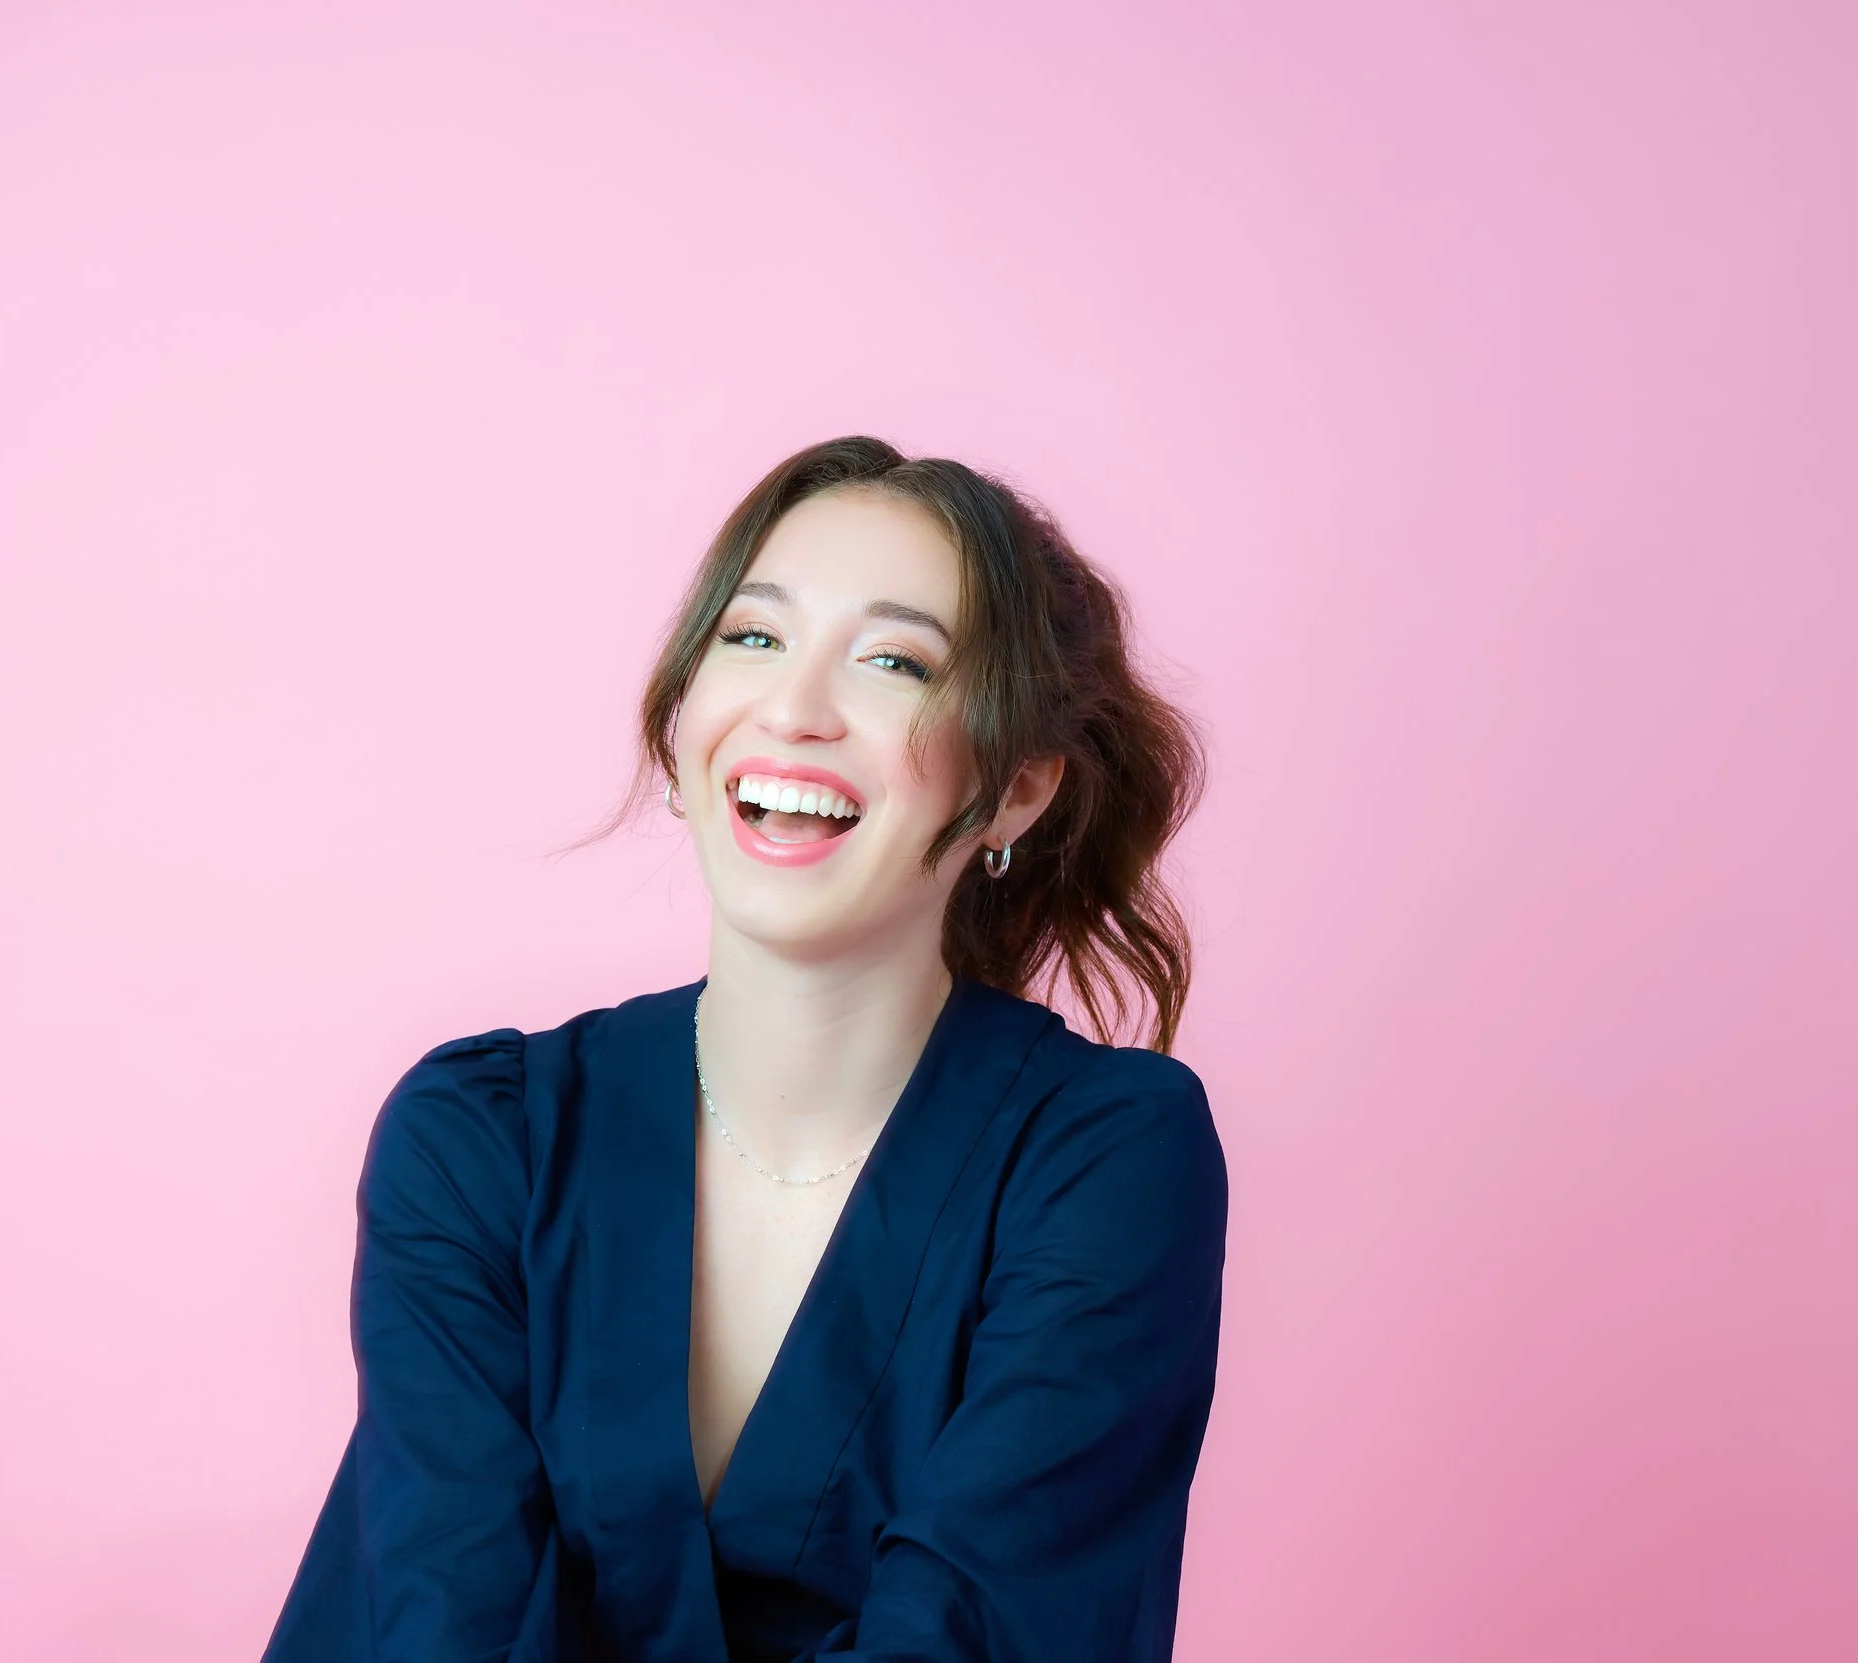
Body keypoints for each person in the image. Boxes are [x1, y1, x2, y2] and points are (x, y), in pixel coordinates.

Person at [262, 436, 1229, 1662]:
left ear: (1016, 791)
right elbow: (442, 1615)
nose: (792, 708)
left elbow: (986, 1628)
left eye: (892, 661)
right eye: (753, 638)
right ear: (682, 722)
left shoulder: (1101, 1160)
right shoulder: (483, 1138)